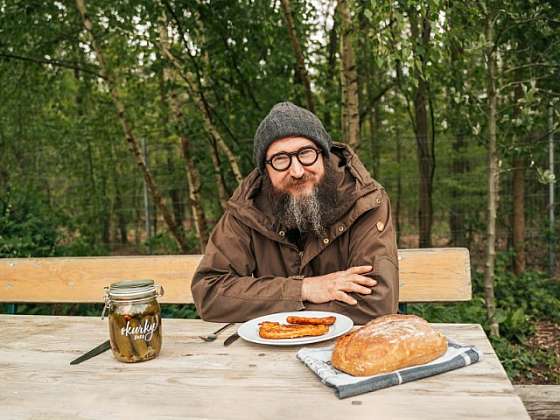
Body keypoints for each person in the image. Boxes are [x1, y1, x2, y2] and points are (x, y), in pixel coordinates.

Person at [191, 101, 398, 324]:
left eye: (306, 153)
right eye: (280, 159)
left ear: (324, 155)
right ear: (265, 171)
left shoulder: (365, 201)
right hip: (268, 349)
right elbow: (210, 293)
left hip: (349, 346)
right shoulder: (248, 208)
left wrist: (262, 304)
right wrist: (303, 289)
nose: (297, 171)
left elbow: (377, 303)